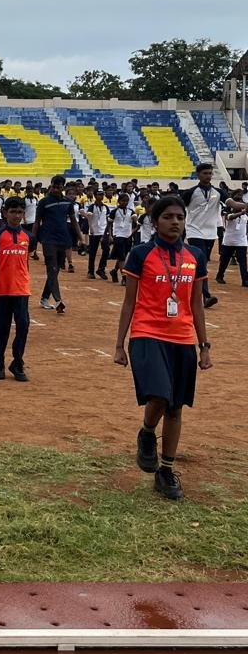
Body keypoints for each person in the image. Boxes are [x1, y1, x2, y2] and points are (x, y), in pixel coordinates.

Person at [114, 194, 211, 502]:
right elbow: (129, 301)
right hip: (147, 332)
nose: (175, 222)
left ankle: (166, 471)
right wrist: (119, 344)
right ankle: (146, 432)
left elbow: (196, 303)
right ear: (155, 222)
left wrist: (204, 345)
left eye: (180, 217)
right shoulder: (141, 254)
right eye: (168, 217)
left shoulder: (195, 255)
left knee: (176, 405)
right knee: (159, 393)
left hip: (182, 337)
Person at [180, 163, 243, 308]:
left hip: (210, 233)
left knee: (201, 264)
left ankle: (190, 290)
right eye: (205, 173)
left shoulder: (219, 192)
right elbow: (179, 208)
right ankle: (206, 296)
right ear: (198, 175)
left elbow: (233, 203)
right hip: (194, 231)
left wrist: (245, 206)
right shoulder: (190, 192)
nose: (208, 176)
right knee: (201, 262)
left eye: (209, 173)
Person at [0, 196, 31, 382]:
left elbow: (26, 262)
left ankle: (17, 362)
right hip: (3, 290)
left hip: (21, 290)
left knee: (23, 326)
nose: (16, 216)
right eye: (12, 212)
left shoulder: (28, 237)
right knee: (1, 329)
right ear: (5, 213)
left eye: (20, 212)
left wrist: (26, 283)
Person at [31, 174, 84, 315]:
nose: (56, 189)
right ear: (51, 185)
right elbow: (37, 222)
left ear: (63, 188)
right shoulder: (44, 202)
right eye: (54, 186)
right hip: (48, 239)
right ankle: (59, 300)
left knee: (56, 270)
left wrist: (81, 238)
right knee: (52, 268)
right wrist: (33, 240)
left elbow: (74, 221)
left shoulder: (68, 202)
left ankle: (44, 298)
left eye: (59, 187)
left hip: (64, 239)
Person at [216, 196, 248, 287]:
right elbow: (229, 217)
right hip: (229, 241)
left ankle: (245, 280)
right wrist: (241, 213)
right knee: (224, 261)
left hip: (241, 241)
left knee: (243, 262)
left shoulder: (245, 212)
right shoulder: (229, 210)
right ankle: (219, 276)